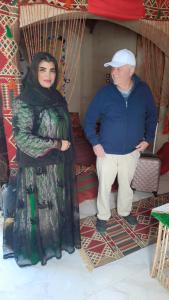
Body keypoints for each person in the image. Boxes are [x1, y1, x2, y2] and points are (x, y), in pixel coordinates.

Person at [4, 52, 81, 267]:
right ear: (35, 71)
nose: (48, 75)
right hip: (37, 167)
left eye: (52, 70)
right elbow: (22, 137)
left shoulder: (57, 97)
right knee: (37, 211)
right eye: (42, 69)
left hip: (58, 165)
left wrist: (63, 148)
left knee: (54, 207)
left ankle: (52, 243)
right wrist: (56, 144)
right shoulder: (25, 100)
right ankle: (36, 248)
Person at [84, 49, 157, 233]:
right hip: (106, 152)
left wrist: (148, 138)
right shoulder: (105, 93)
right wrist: (95, 142)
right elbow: (89, 120)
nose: (113, 72)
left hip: (131, 151)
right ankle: (102, 216)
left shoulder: (143, 90)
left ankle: (125, 211)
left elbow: (152, 115)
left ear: (131, 70)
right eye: (112, 68)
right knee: (104, 187)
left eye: (118, 68)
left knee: (126, 185)